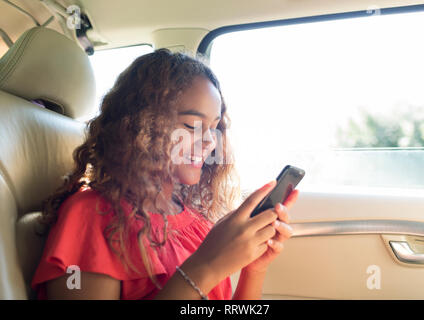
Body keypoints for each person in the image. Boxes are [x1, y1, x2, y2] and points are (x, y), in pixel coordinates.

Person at [31, 48, 299, 300]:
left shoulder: (196, 223)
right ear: (141, 126)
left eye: (214, 127)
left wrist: (254, 268)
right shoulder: (92, 216)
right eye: (192, 125)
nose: (210, 141)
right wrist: (208, 266)